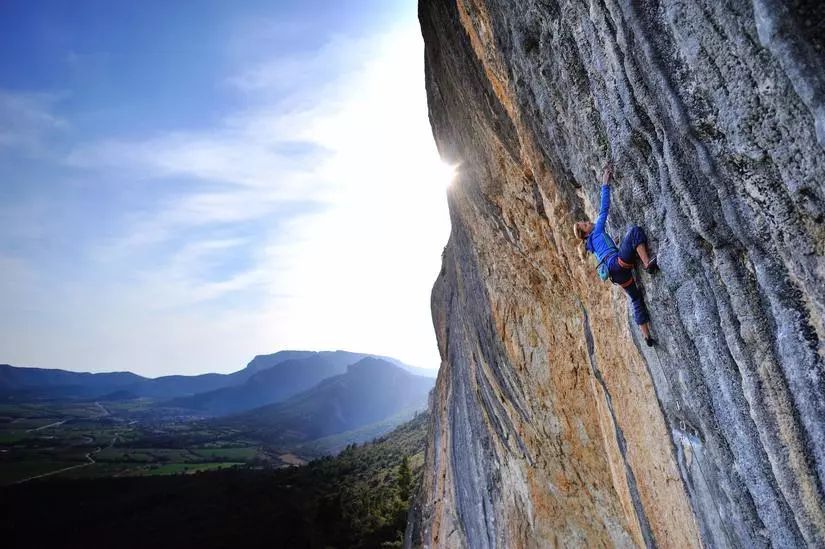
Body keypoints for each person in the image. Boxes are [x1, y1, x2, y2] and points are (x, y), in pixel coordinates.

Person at [573, 164, 659, 346]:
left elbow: (607, 249)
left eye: (584, 221)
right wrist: (605, 182)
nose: (588, 222)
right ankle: (647, 264)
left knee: (636, 299)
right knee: (635, 233)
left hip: (616, 275)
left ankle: (647, 337)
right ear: (586, 232)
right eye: (584, 224)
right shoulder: (596, 232)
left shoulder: (592, 246)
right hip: (616, 263)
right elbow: (604, 208)